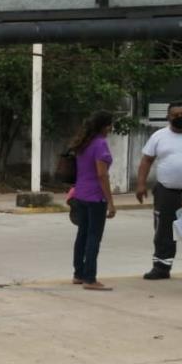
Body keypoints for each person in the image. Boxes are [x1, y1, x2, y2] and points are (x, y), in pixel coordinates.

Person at [135, 103, 182, 284]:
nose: (180, 117)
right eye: (175, 115)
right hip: (166, 192)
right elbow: (146, 160)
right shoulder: (159, 136)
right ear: (168, 117)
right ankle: (161, 267)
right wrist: (140, 184)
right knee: (163, 231)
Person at [70, 111, 117, 291]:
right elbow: (101, 174)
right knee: (93, 237)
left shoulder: (84, 143)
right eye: (110, 125)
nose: (111, 128)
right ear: (105, 126)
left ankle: (78, 274)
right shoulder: (100, 144)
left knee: (82, 234)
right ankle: (90, 278)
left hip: (80, 194)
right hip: (95, 197)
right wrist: (110, 201)